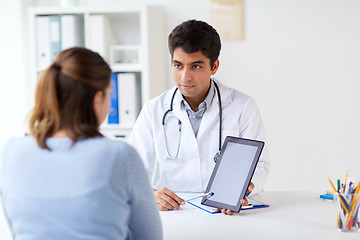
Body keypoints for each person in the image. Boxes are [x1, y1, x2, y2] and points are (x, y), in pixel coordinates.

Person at [0, 47, 162, 239]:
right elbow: (149, 236)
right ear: (97, 99)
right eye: (109, 94)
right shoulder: (119, 155)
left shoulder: (12, 151)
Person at [129, 20, 270, 215]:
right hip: (173, 213)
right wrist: (149, 194)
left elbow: (259, 164)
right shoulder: (154, 109)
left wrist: (240, 190)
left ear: (214, 67)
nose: (185, 77)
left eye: (195, 67)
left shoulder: (242, 106)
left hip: (224, 212)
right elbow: (131, 169)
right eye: (178, 65)